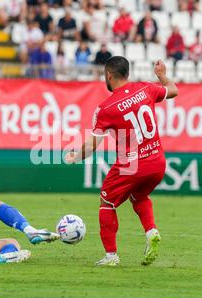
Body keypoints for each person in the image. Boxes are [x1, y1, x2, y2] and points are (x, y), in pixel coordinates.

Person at [65, 56, 178, 266]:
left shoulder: (106, 108)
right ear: (127, 72)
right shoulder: (146, 88)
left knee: (106, 202)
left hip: (132, 165)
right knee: (139, 195)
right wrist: (162, 76)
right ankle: (151, 231)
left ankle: (111, 256)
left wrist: (74, 156)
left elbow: (91, 146)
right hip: (157, 162)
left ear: (108, 75)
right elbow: (173, 90)